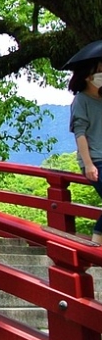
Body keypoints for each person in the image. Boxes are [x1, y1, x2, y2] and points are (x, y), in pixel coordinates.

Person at [70, 60, 102, 243]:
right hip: (96, 160)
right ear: (87, 76)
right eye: (98, 71)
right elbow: (80, 133)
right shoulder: (81, 100)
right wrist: (88, 164)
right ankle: (96, 248)